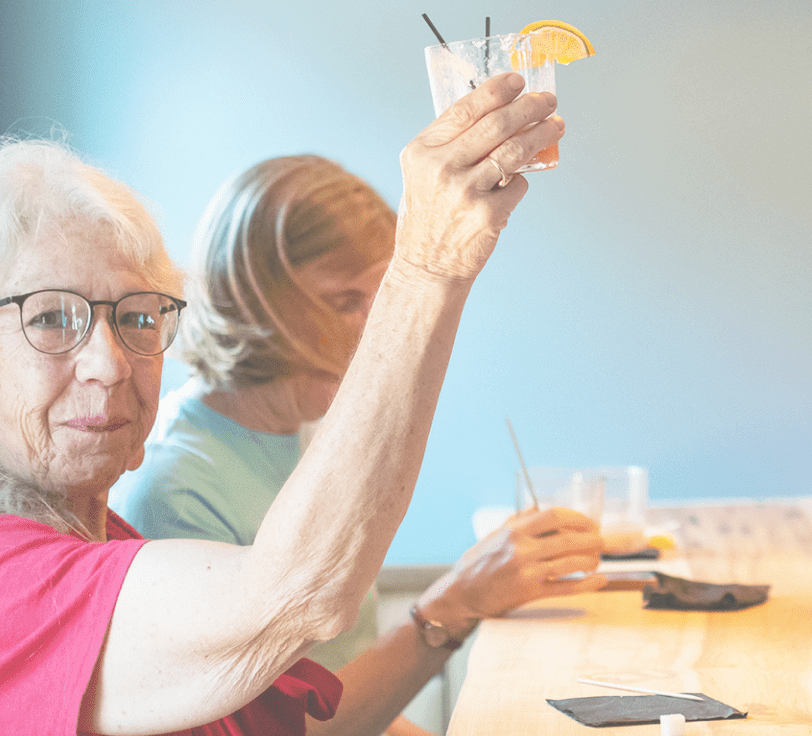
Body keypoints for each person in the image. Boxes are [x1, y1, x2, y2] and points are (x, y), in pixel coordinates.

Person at [0, 72, 588, 735]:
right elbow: (289, 594)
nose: (110, 365)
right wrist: (427, 264)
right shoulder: (16, 583)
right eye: (50, 318)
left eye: (137, 318)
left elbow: (298, 718)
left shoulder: (113, 541)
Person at [111, 155, 605, 736]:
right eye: (347, 301)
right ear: (254, 307)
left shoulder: (310, 431)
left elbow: (339, 679)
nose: (375, 328)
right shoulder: (173, 492)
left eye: (381, 297)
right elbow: (287, 728)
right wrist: (450, 608)